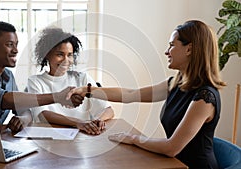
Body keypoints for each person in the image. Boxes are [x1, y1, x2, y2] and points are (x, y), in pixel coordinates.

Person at [67, 20, 226, 168]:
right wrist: (87, 90)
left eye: (171, 45)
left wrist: (133, 138)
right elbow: (130, 94)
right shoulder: (175, 84)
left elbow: (171, 147)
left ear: (189, 49)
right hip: (173, 164)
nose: (166, 51)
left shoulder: (205, 97)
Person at [0, 21, 82, 134]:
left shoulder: (8, 75)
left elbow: (22, 108)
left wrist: (24, 119)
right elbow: (4, 99)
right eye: (10, 44)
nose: (16, 50)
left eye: (16, 44)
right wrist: (57, 97)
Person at [27, 27, 114, 135]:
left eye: (69, 55)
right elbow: (42, 114)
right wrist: (78, 122)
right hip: (51, 138)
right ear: (47, 55)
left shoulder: (82, 78)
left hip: (82, 136)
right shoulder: (35, 82)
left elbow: (108, 110)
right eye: (60, 54)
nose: (66, 60)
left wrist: (99, 119)